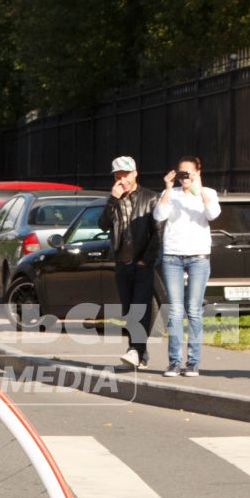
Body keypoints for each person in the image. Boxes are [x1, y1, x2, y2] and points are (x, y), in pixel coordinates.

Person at [153, 156, 220, 376]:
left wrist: (198, 188)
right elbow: (158, 215)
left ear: (198, 172)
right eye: (181, 173)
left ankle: (192, 362)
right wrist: (167, 188)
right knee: (174, 310)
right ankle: (174, 361)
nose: (185, 177)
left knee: (193, 310)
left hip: (199, 257)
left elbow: (213, 215)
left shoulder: (208, 193)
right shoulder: (170, 194)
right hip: (173, 255)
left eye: (189, 173)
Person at [99, 156, 160, 369]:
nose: (122, 180)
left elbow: (158, 232)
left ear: (135, 173)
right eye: (118, 176)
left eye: (125, 175)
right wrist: (112, 200)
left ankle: (135, 350)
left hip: (142, 261)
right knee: (128, 309)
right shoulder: (115, 199)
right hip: (122, 261)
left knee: (140, 307)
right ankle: (140, 354)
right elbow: (103, 224)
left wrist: (147, 259)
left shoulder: (151, 198)